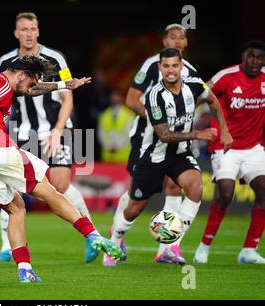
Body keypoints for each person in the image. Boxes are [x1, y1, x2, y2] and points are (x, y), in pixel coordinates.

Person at [0, 56, 122, 283]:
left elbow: (31, 90)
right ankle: (93, 235)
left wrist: (62, 85)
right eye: (30, 81)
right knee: (48, 191)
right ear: (20, 74)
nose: (30, 88)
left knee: (16, 209)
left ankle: (25, 270)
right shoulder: (0, 83)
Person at [110, 48, 232, 266]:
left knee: (195, 187)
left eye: (175, 65)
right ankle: (115, 241)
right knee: (135, 208)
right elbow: (164, 135)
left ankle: (172, 245)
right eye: (166, 66)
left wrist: (224, 131)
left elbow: (214, 102)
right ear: (160, 68)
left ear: (181, 66)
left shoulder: (194, 85)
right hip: (153, 155)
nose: (171, 71)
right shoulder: (154, 96)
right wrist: (198, 134)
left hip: (180, 154)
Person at [0, 12, 97, 263]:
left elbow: (67, 95)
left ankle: (91, 235)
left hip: (56, 129)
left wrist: (58, 130)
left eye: (33, 28)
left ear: (38, 31)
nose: (29, 33)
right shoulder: (6, 61)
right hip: (23, 131)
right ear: (16, 33)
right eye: (24, 29)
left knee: (60, 184)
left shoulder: (55, 58)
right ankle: (7, 247)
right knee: (11, 185)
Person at [105, 23, 200, 266]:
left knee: (175, 186)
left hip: (176, 144)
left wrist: (181, 123)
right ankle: (115, 237)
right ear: (164, 41)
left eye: (182, 38)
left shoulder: (190, 71)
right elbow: (131, 99)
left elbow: (197, 99)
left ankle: (167, 248)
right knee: (135, 193)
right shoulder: (150, 65)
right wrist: (159, 121)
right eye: (172, 37)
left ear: (186, 44)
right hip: (146, 138)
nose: (177, 42)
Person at [194, 40, 265, 264]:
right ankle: (204, 246)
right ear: (243, 56)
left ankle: (249, 250)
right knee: (226, 193)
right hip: (226, 147)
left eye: (260, 58)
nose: (255, 61)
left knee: (264, 193)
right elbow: (199, 94)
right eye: (251, 56)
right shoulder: (226, 76)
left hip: (254, 147)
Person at [97, 88, 135, 163]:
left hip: (123, 156)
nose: (115, 98)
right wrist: (108, 146)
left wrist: (116, 146)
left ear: (121, 97)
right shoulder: (104, 115)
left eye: (117, 95)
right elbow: (101, 134)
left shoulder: (129, 115)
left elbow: (128, 134)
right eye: (113, 95)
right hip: (108, 157)